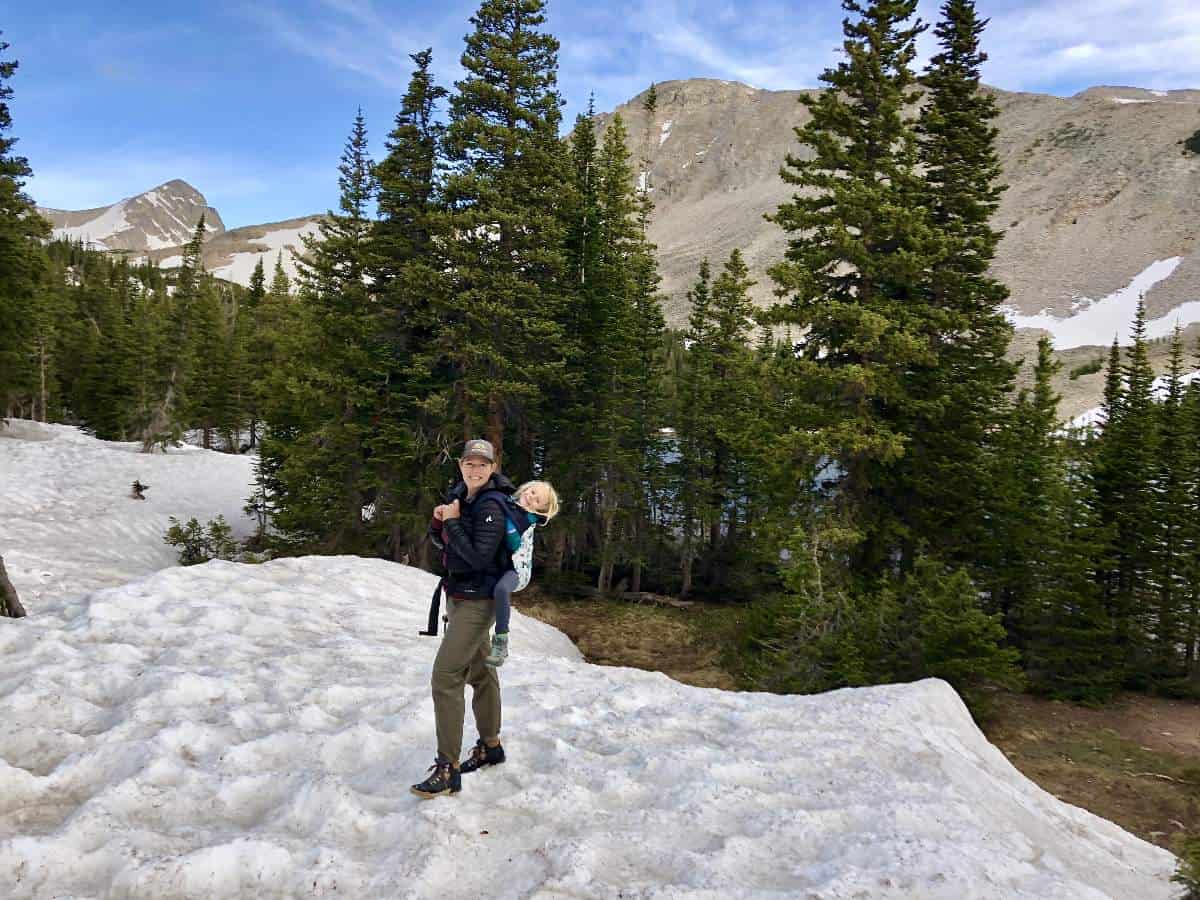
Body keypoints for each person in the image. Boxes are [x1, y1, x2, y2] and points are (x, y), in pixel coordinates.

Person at [411, 439, 512, 799]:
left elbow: (479, 559)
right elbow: (444, 546)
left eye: (482, 465)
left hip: (478, 601)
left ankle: (447, 768)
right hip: (459, 595)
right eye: (470, 463)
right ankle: (491, 745)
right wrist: (441, 524)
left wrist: (452, 524)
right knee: (481, 672)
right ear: (461, 465)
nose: (475, 469)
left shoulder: (492, 506)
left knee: (446, 675)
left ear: (493, 467)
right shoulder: (463, 497)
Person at [484, 480, 560, 668]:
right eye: (532, 491)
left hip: (518, 571)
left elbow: (514, 543)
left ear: (540, 509)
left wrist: (505, 522)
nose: (531, 496)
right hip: (501, 565)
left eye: (537, 500)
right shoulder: (507, 503)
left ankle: (501, 640)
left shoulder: (529, 519)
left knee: (501, 589)